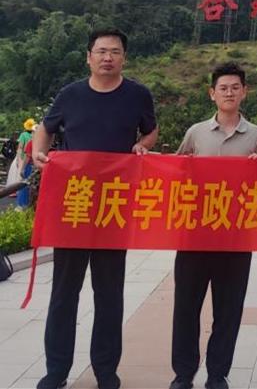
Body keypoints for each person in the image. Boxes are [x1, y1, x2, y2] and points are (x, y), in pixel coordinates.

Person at [32, 28, 158, 389]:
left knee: (109, 294)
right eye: (101, 51)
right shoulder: (70, 95)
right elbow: (46, 129)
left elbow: (150, 131)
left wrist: (143, 146)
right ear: (89, 57)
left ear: (124, 58)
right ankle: (56, 371)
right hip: (74, 204)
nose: (107, 57)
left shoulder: (137, 95)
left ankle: (105, 370)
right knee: (63, 293)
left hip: (113, 208)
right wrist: (39, 151)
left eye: (115, 51)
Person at [169, 63, 257, 389]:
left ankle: (217, 373)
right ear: (212, 93)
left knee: (228, 310)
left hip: (236, 237)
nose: (229, 93)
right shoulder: (196, 133)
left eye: (235, 87)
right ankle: (183, 373)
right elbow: (176, 173)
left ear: (245, 92)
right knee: (186, 308)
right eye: (223, 88)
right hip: (194, 236)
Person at [16, 119, 36, 208]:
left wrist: (19, 160)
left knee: (24, 183)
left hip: (26, 161)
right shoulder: (39, 141)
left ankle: (22, 204)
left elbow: (21, 148)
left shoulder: (24, 136)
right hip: (36, 165)